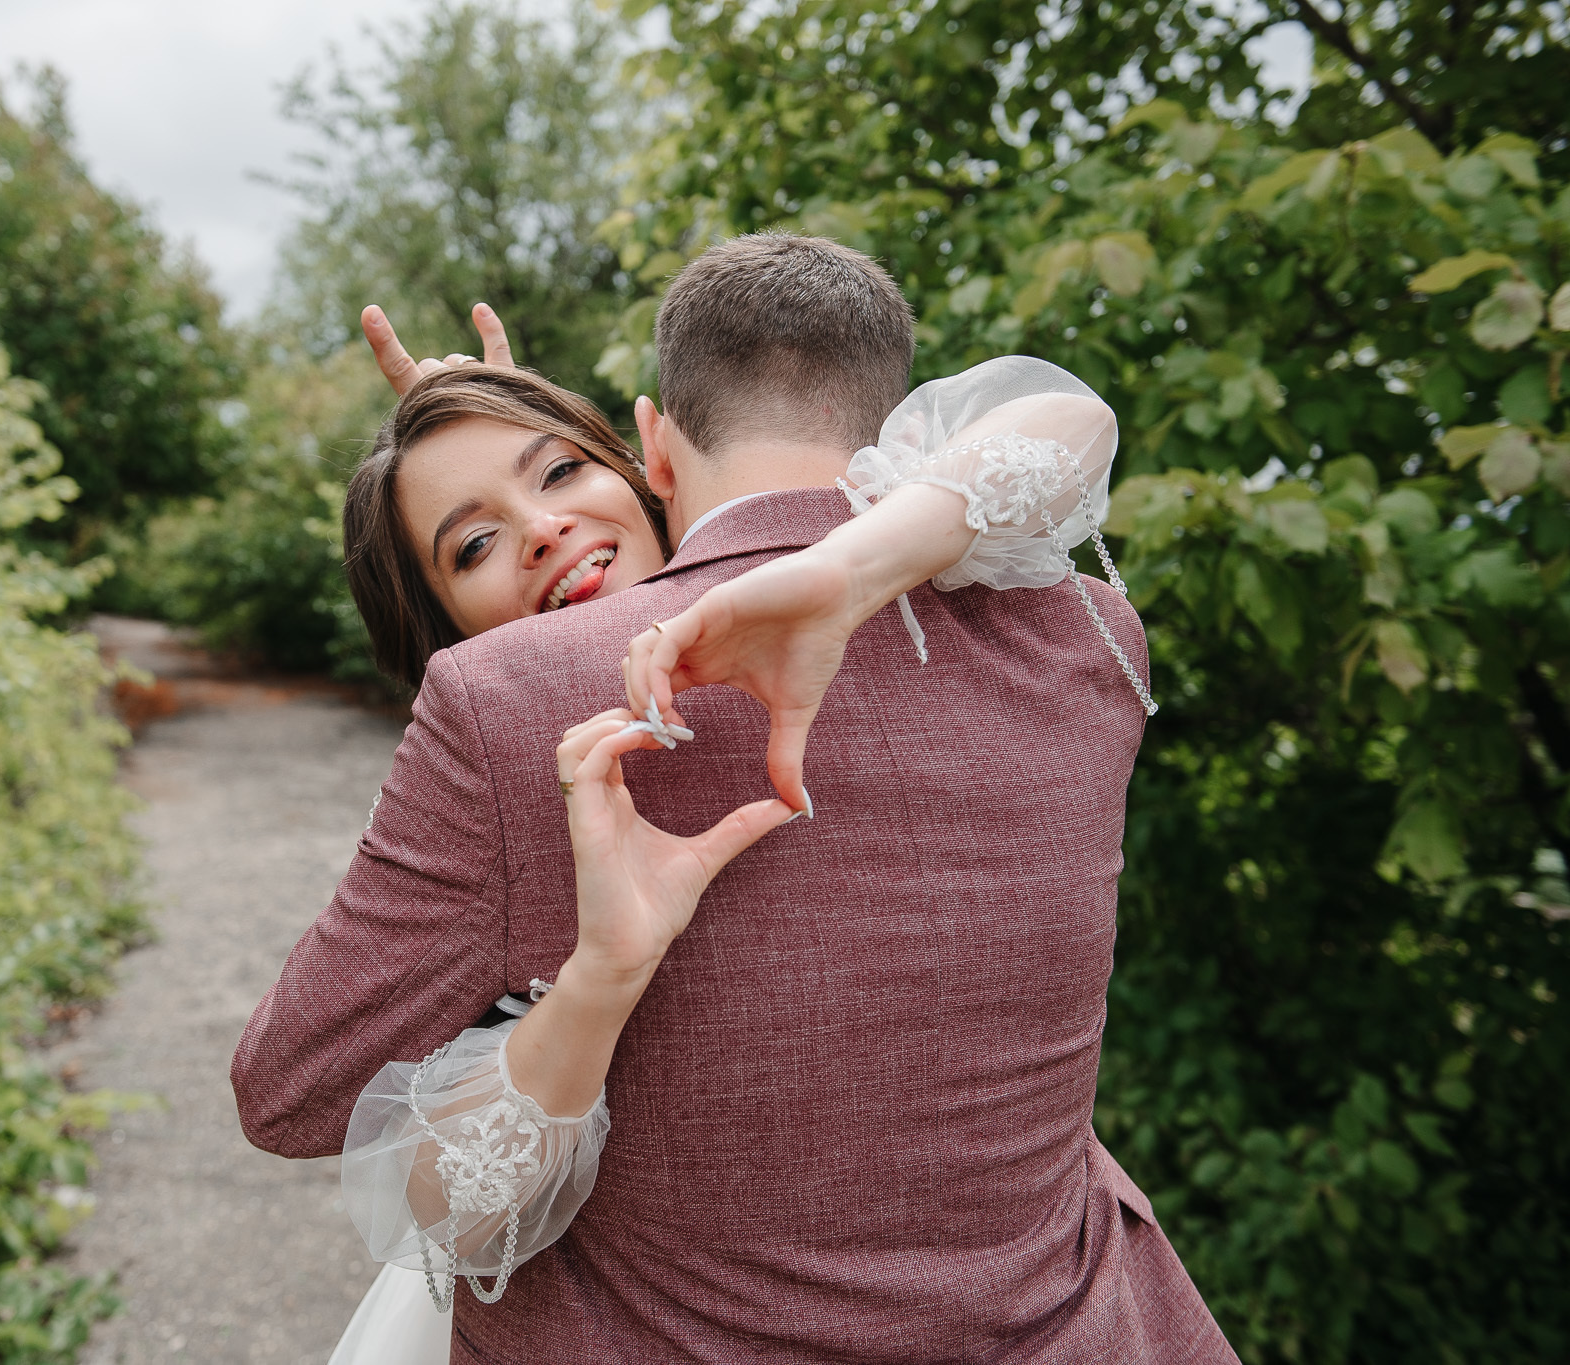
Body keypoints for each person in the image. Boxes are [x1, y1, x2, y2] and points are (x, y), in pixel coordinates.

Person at [237, 233, 1234, 1362]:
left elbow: (288, 1094)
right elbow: (1056, 420)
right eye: (471, 544)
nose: (547, 528)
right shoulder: (1090, 638)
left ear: (645, 454)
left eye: (563, 471)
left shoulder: (499, 706)